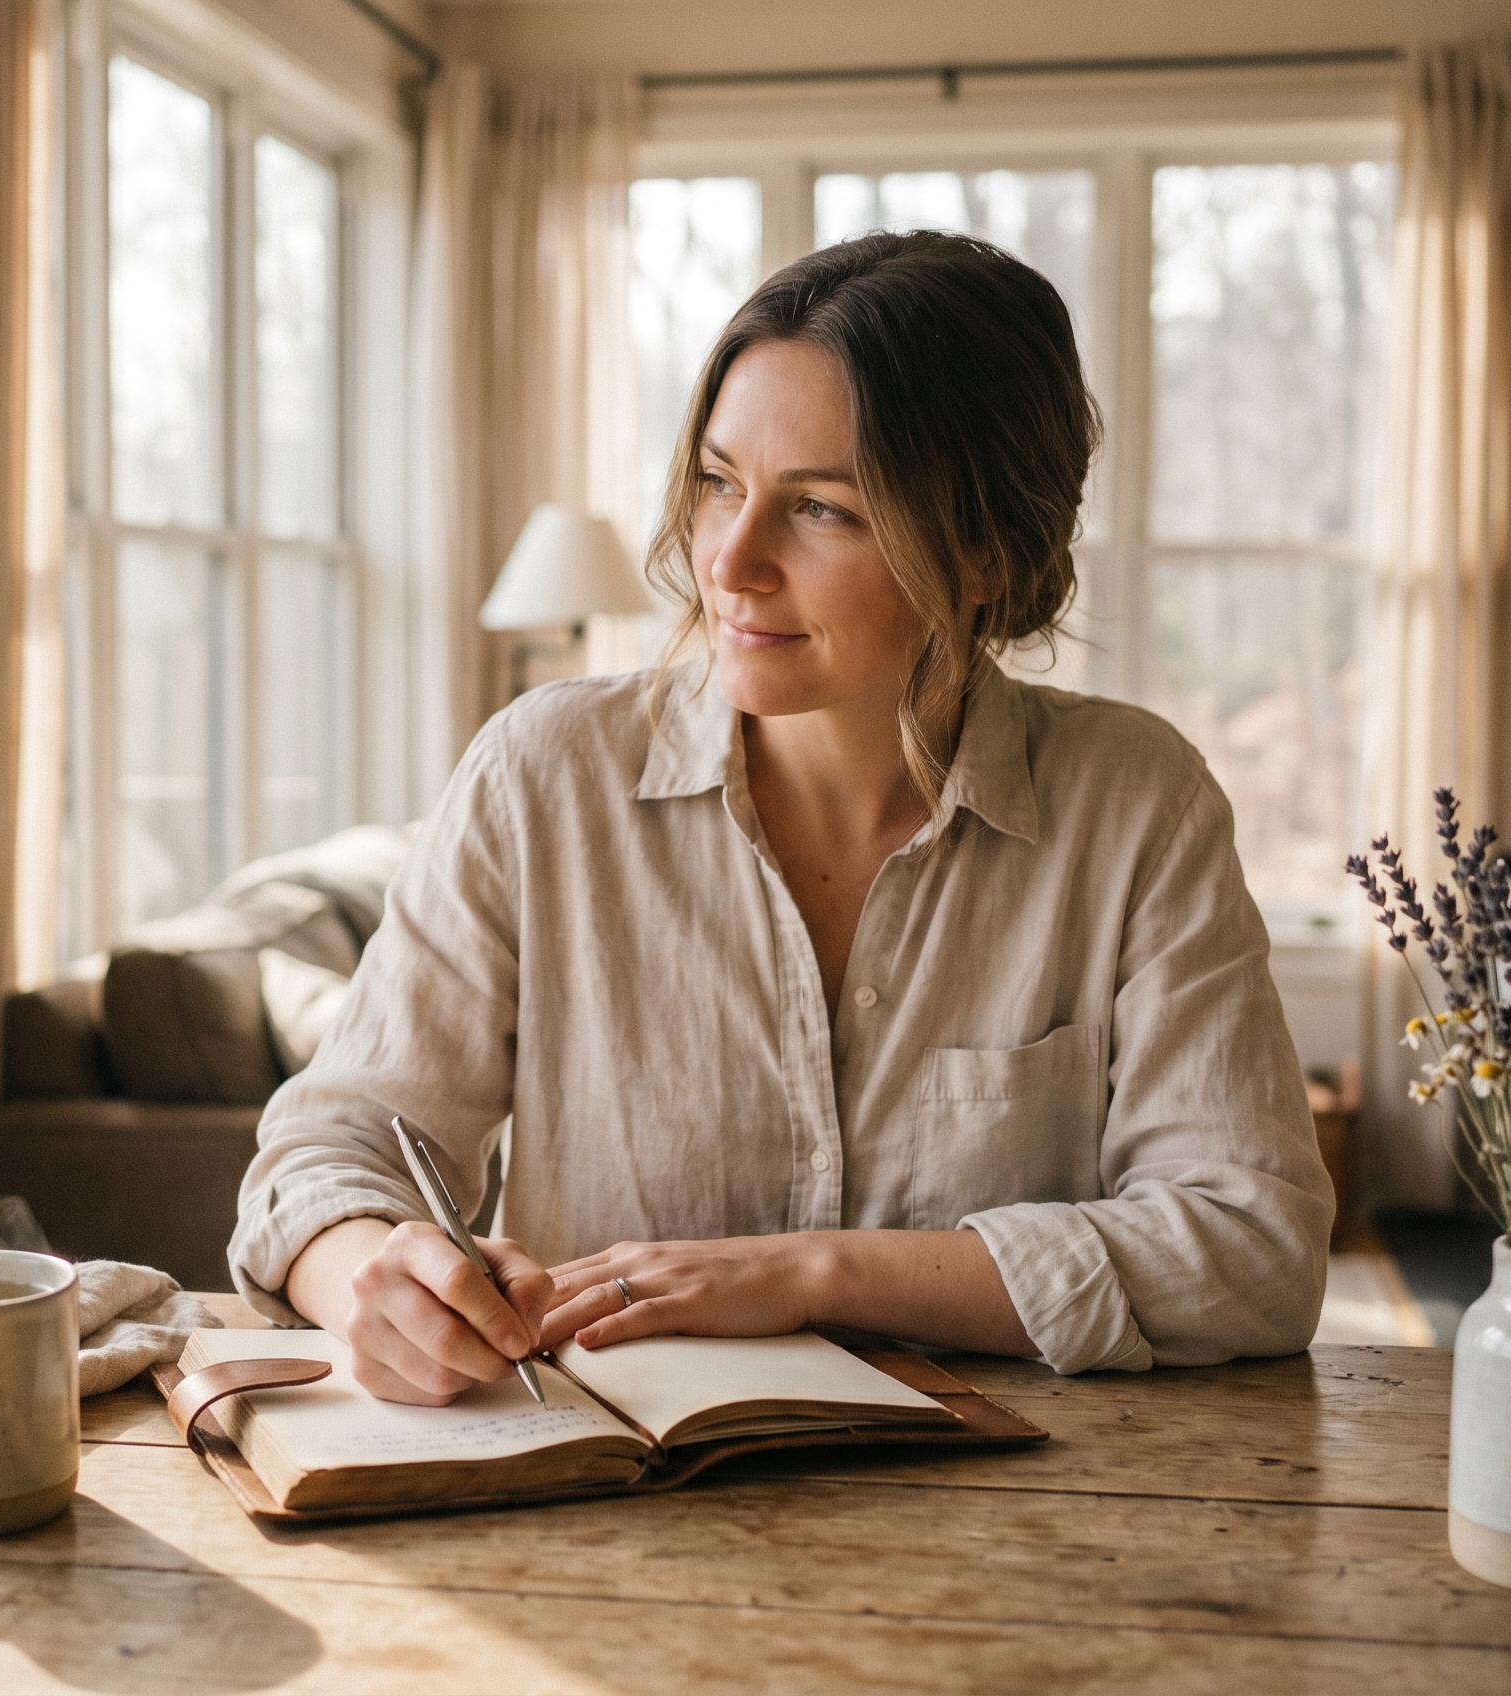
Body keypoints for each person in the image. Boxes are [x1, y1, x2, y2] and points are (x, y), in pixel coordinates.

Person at [230, 231, 1333, 1405]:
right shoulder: (539, 777)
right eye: (717, 485)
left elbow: (1251, 1249)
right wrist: (371, 1270)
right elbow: (320, 1158)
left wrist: (809, 1273)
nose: (730, 561)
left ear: (984, 552)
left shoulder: (1135, 806)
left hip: (1026, 1526)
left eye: (818, 508)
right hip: (594, 1521)